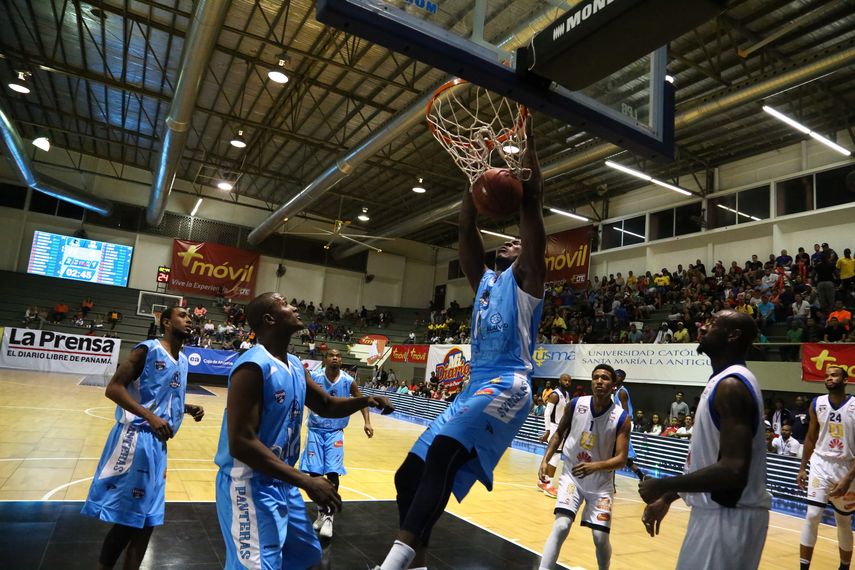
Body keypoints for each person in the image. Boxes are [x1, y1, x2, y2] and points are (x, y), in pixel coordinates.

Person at [376, 118, 545, 570]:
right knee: (408, 473)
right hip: (474, 387)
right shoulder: (487, 283)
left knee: (446, 453)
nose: (513, 242)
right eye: (506, 242)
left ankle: (394, 563)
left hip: (508, 383)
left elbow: (534, 210)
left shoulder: (528, 280)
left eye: (517, 242)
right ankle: (420, 560)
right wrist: (473, 187)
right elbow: (466, 236)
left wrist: (528, 155)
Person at [214, 292, 393, 569]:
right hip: (248, 485)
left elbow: (326, 404)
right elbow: (241, 443)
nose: (294, 306)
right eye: (285, 304)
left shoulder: (296, 365)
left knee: (308, 559)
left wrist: (364, 400)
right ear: (270, 319)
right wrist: (307, 481)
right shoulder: (252, 367)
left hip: (281, 482)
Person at [638, 310, 770, 569]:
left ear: (733, 335)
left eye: (712, 323)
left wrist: (663, 484)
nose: (702, 326)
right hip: (717, 514)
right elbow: (710, 459)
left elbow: (733, 471)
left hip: (729, 517)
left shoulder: (732, 386)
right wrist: (668, 498)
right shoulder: (722, 381)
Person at [81, 306, 205, 570]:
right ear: (167, 323)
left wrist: (186, 407)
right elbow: (113, 389)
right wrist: (150, 416)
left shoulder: (182, 360)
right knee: (128, 520)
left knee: (148, 521)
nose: (189, 320)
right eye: (183, 316)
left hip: (158, 444)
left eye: (191, 317)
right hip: (136, 438)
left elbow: (158, 396)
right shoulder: (147, 350)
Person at [535, 365, 631, 570]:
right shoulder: (576, 404)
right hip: (573, 476)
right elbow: (559, 433)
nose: (599, 381)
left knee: (599, 538)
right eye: (595, 377)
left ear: (613, 385)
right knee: (561, 526)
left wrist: (595, 466)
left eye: (605, 378)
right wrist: (545, 459)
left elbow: (622, 459)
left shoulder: (621, 417)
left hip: (601, 483)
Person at [300, 349, 374, 538]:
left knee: (333, 472)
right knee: (315, 475)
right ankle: (320, 512)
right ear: (325, 359)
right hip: (315, 431)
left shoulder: (348, 381)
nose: (335, 357)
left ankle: (329, 517)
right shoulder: (315, 377)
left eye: (338, 355)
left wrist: (367, 421)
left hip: (335, 433)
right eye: (332, 355)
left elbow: (362, 401)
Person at [796, 365, 855, 570]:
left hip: (847, 467)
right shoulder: (817, 403)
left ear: (846, 380)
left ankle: (844, 567)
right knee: (812, 515)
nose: (829, 378)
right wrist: (803, 467)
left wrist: (849, 477)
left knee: (843, 521)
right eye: (827, 375)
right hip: (821, 464)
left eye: (834, 375)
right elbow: (811, 437)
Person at [538, 374, 571, 497]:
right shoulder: (555, 395)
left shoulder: (566, 394)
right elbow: (547, 413)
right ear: (560, 381)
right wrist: (547, 431)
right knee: (555, 456)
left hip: (561, 428)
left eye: (569, 381)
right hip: (554, 427)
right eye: (565, 380)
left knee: (553, 456)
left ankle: (543, 481)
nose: (567, 382)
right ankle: (548, 484)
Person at [612, 369, 647, 480]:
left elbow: (625, 412)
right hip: (620, 423)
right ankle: (641, 475)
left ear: (622, 378)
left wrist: (621, 426)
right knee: (623, 456)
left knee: (613, 452)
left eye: (617, 376)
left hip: (623, 424)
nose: (615, 377)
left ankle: (610, 484)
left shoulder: (622, 392)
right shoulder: (616, 391)